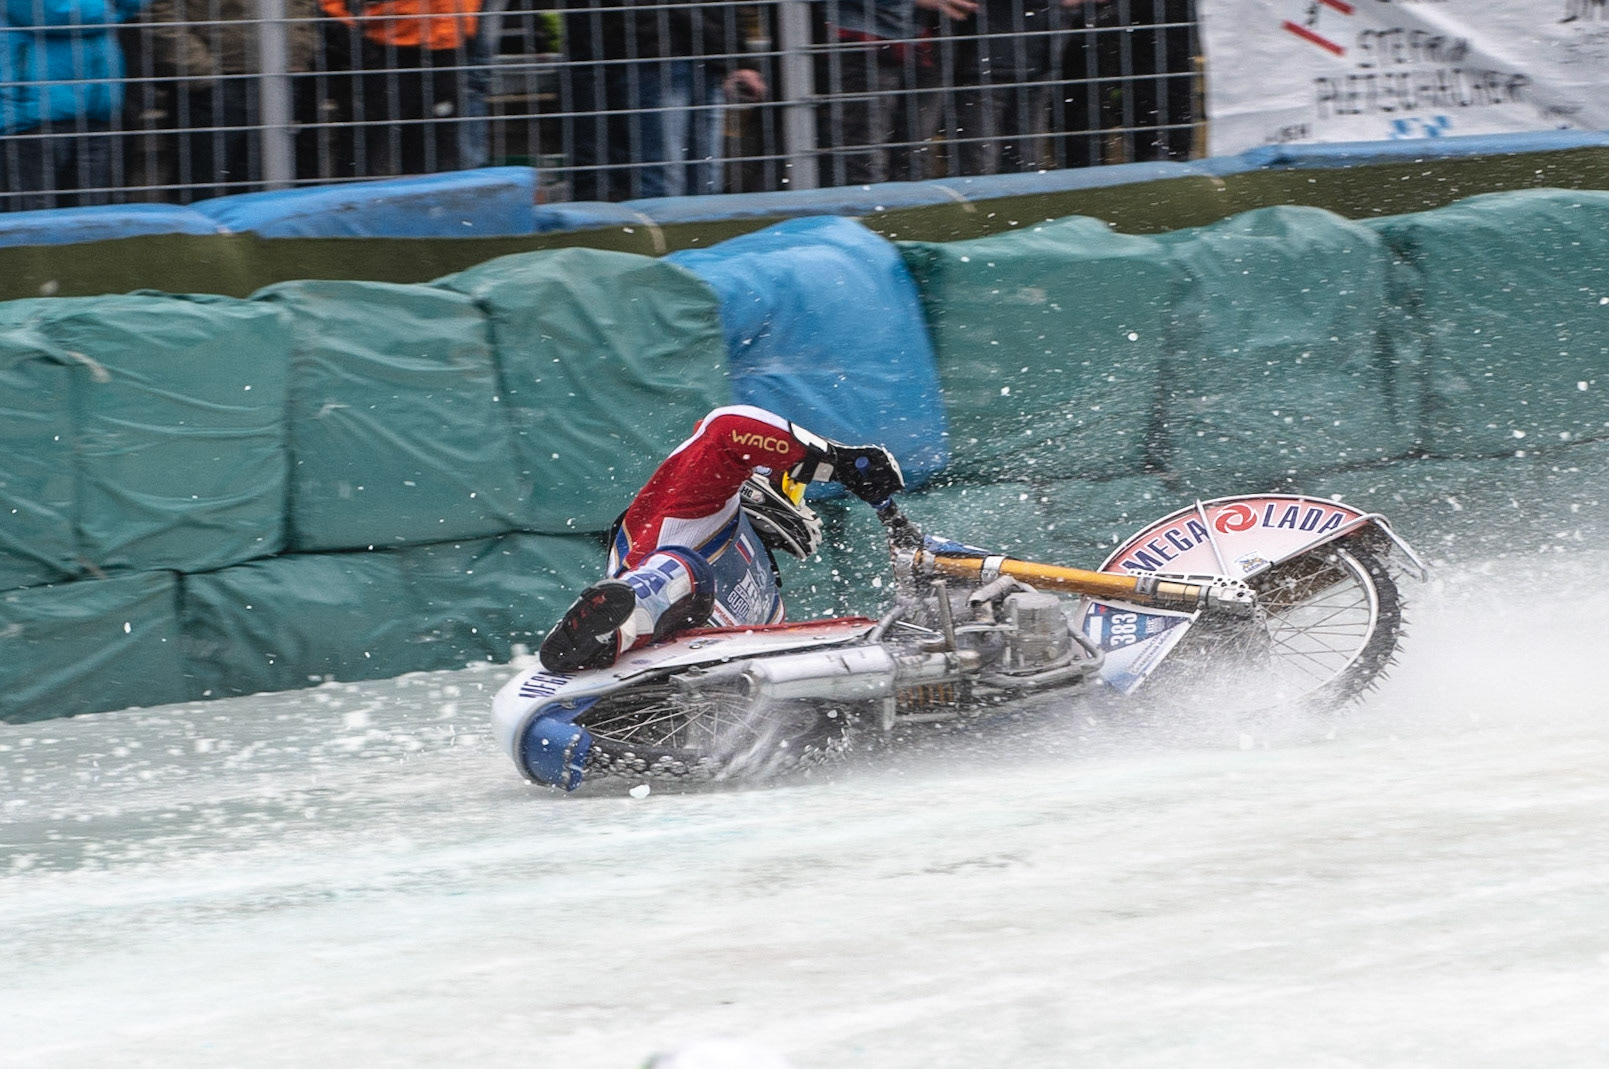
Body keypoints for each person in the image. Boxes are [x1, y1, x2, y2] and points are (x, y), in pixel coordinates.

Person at [539, 405, 904, 674]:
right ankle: (604, 633)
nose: (800, 503)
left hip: (719, 697)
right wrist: (835, 462)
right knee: (688, 570)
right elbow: (725, 427)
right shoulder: (697, 503)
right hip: (628, 654)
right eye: (794, 486)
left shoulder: (771, 598)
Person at [563, 0, 766, 201]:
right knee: (676, 178)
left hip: (691, 54)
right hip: (664, 53)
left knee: (690, 177)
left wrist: (739, 57)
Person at [132, 0, 321, 199]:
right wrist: (199, 69)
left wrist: (300, 48)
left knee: (264, 189)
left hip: (281, 79)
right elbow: (162, 11)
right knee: (204, 186)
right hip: (215, 83)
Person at [2, 0, 150, 211]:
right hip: (35, 116)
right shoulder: (103, 8)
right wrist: (108, 7)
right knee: (31, 226)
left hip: (97, 110)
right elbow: (50, 11)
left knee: (89, 227)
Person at [318, 0, 483, 176]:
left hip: (446, 39)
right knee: (366, 149)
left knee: (436, 151)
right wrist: (343, 27)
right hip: (382, 41)